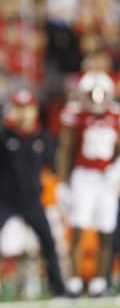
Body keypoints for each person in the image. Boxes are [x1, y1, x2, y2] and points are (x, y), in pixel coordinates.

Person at [0, 89, 65, 301]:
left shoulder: (41, 137)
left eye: (27, 108)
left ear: (34, 111)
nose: (23, 114)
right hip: (4, 199)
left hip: (32, 199)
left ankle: (59, 289)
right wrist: (3, 129)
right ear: (13, 110)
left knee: (48, 242)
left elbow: (53, 163)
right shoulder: (2, 134)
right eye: (19, 108)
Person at [57, 70, 120, 297]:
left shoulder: (115, 114)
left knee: (106, 230)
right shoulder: (76, 115)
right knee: (78, 228)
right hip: (83, 176)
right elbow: (66, 149)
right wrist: (63, 182)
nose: (97, 100)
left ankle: (100, 283)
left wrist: (117, 169)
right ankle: (73, 282)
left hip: (106, 178)